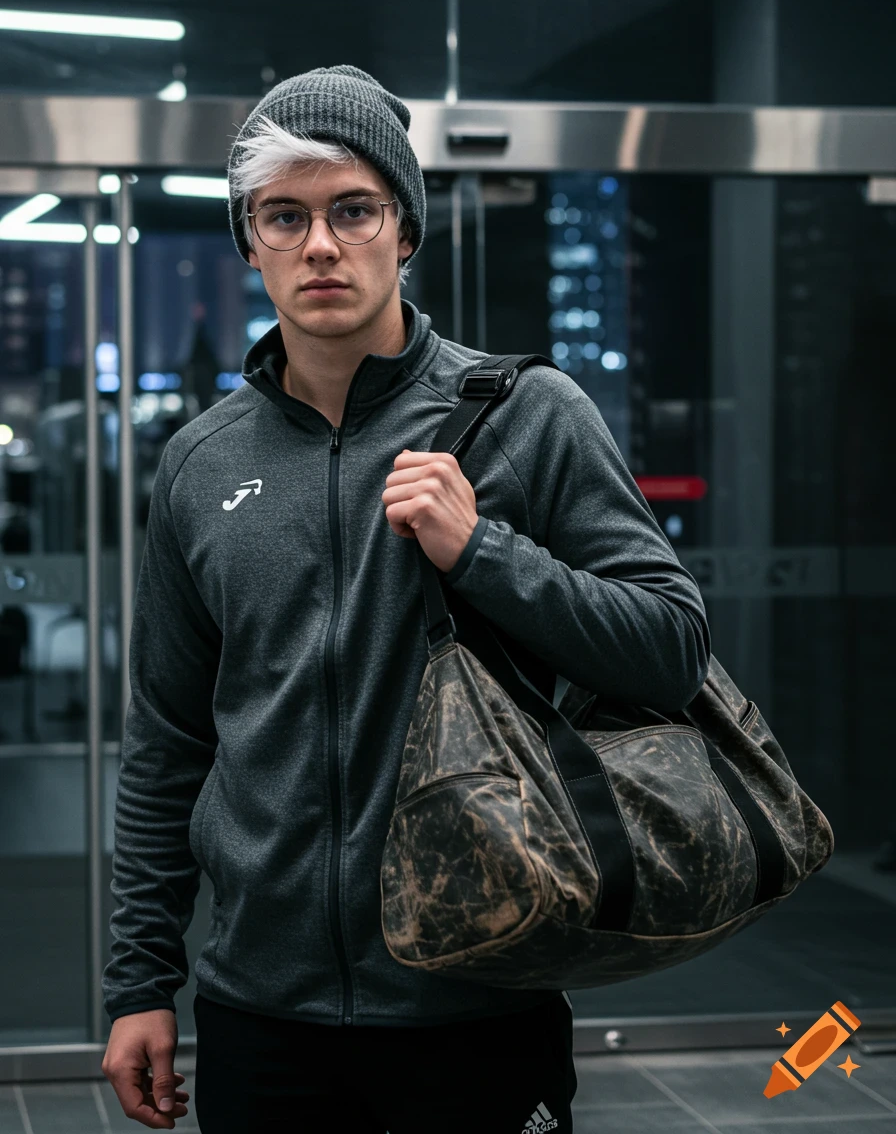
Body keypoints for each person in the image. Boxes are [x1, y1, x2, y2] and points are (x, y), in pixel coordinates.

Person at [100, 65, 711, 1132]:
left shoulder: (527, 415)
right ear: (249, 241)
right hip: (260, 1008)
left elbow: (668, 648)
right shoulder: (199, 462)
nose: (320, 246)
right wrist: (140, 979)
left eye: (353, 209)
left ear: (405, 229)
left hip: (477, 993)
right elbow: (168, 737)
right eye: (283, 216)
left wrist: (480, 549)